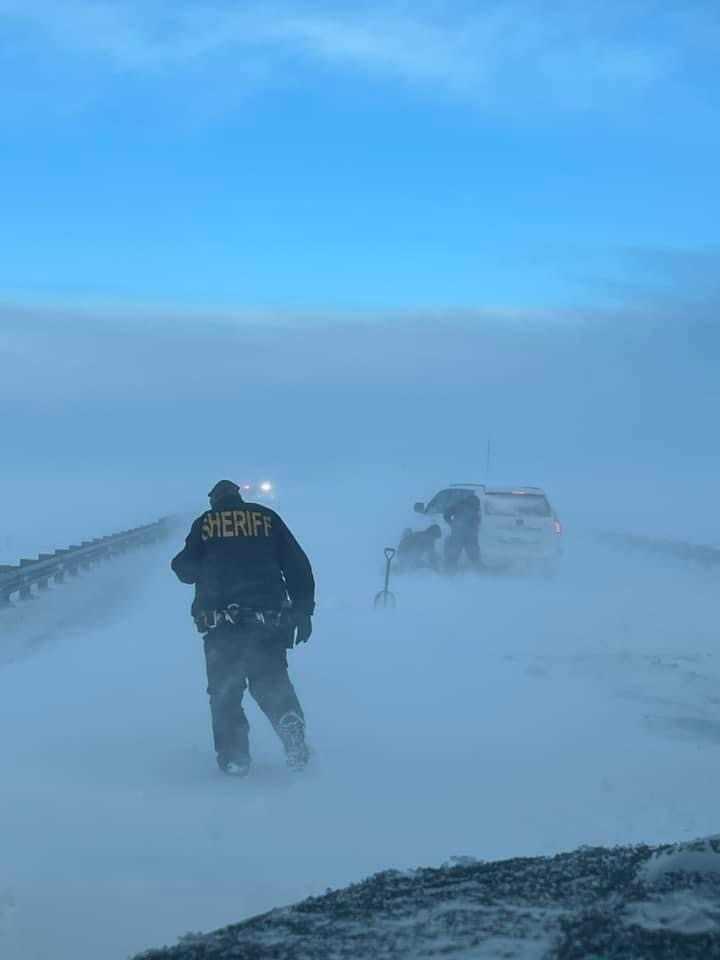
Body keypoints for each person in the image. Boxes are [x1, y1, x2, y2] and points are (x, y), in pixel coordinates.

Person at [171, 480, 316, 778]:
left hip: (221, 624)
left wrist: (205, 566)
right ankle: (289, 721)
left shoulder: (206, 523)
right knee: (271, 681)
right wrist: (303, 611)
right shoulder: (267, 518)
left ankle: (235, 757)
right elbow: (298, 565)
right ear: (239, 497)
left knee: (225, 692)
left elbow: (184, 569)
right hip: (269, 620)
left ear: (215, 501)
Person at [443, 492, 481, 571]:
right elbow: (476, 524)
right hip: (463, 535)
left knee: (454, 555)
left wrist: (452, 524)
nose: (477, 506)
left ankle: (449, 571)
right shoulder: (471, 509)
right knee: (472, 556)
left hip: (459, 534)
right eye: (476, 504)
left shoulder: (460, 505)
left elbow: (446, 515)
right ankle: (479, 571)